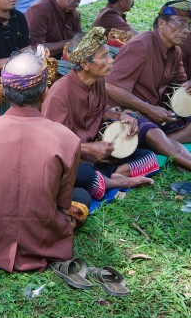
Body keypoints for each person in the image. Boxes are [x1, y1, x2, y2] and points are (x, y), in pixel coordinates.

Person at [0, 52, 92, 272]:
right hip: (44, 241)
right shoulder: (68, 139)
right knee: (83, 196)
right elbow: (62, 203)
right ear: (45, 94)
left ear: (5, 92)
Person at [106, 1, 191, 192]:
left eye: (189, 24)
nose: (186, 30)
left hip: (155, 109)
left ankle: (161, 143)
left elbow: (179, 84)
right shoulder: (141, 45)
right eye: (180, 23)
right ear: (161, 23)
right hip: (124, 110)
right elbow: (110, 87)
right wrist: (148, 109)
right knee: (154, 132)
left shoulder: (176, 50)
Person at [43, 28, 158, 201]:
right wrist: (90, 148)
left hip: (98, 159)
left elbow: (101, 109)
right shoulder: (60, 93)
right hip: (74, 161)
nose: (111, 60)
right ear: (85, 64)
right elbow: (51, 145)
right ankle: (117, 182)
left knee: (148, 157)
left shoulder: (98, 81)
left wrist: (120, 116)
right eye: (104, 57)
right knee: (83, 174)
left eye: (109, 55)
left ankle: (111, 177)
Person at [26, 0, 90, 58]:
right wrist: (70, 42)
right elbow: (36, 50)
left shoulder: (73, 13)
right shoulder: (38, 11)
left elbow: (79, 41)